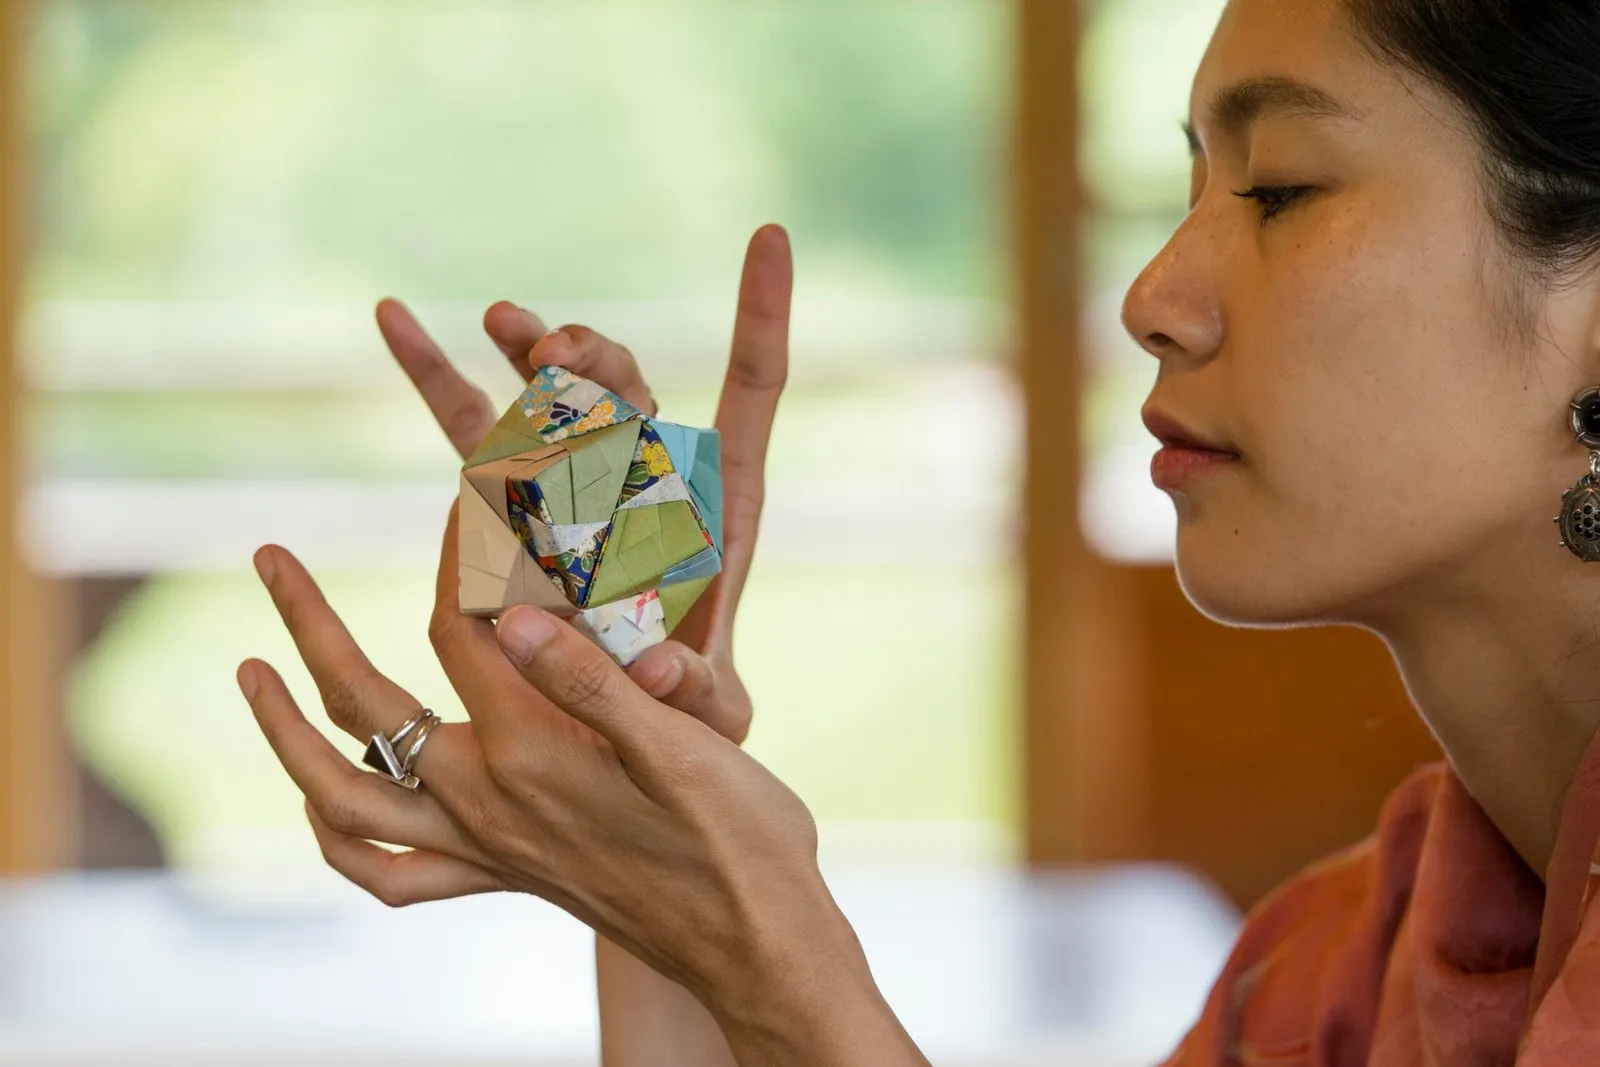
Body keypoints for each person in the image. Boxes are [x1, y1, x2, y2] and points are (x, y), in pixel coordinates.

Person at [233, 0, 1600, 1060]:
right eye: (1189, 187)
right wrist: (659, 850)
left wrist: (785, 968)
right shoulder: (1334, 974)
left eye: (1281, 187)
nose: (1151, 294)